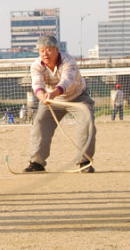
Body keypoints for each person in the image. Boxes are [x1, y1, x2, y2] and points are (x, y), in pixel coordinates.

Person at [23, 35, 96, 173]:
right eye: (42, 51)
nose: (45, 54)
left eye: (49, 50)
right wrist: (43, 96)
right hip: (52, 100)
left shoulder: (69, 61)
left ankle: (84, 162)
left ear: (57, 49)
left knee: (86, 122)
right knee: (40, 123)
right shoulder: (36, 65)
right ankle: (37, 163)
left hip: (78, 97)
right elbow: (37, 84)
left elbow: (66, 81)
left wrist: (53, 93)